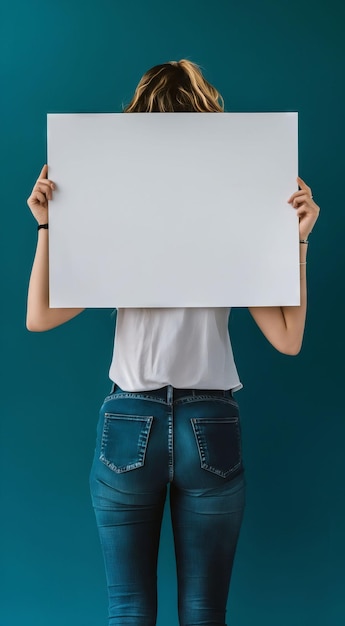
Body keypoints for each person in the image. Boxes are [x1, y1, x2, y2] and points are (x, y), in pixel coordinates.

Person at [26, 59, 320, 626]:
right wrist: (298, 244)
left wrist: (46, 227)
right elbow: (288, 339)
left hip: (128, 418)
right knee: (205, 614)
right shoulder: (237, 213)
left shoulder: (112, 212)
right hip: (210, 421)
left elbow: (38, 317)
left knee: (128, 611)